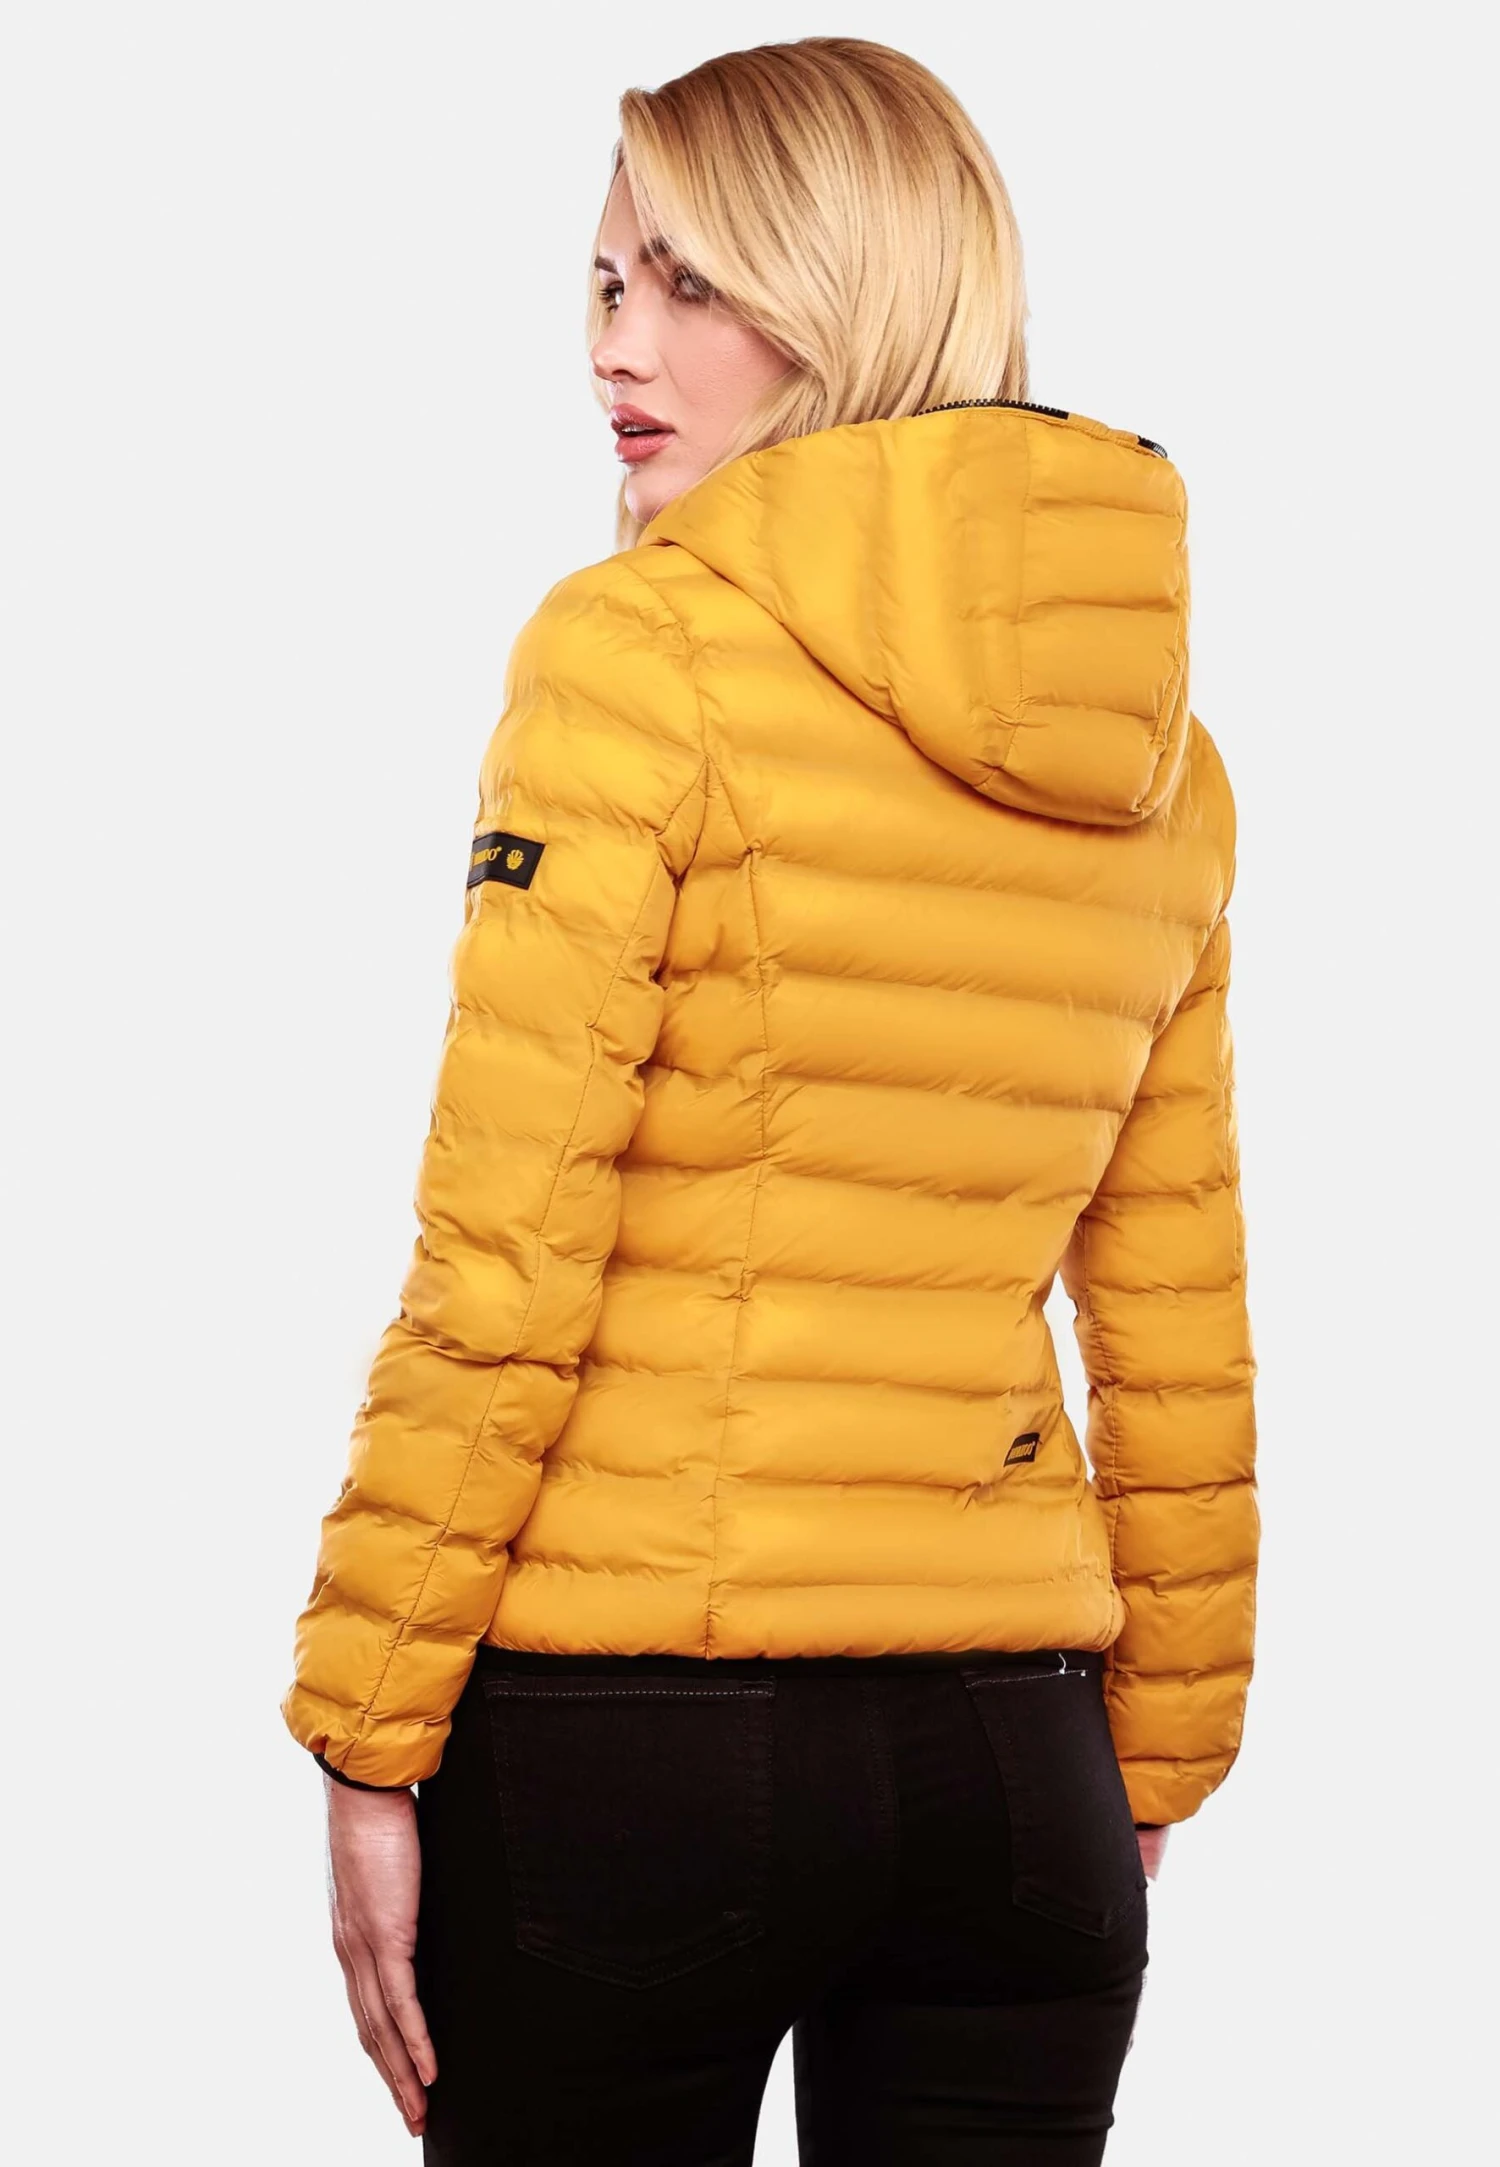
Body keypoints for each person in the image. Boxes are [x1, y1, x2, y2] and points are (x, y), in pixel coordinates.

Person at [282, 35, 1259, 2165]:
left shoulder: (634, 657)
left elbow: (504, 1253)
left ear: (853, 295)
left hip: (632, 1743)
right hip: (1021, 1768)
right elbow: (1178, 1310)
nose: (615, 347)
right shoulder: (1160, 757)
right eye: (605, 282)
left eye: (691, 285)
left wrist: (365, 1726)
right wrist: (1160, 1756)